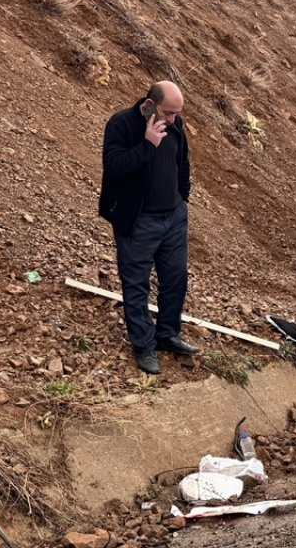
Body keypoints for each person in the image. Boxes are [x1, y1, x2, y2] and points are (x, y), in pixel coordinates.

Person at [99, 81, 199, 374]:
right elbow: (114, 166)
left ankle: (167, 334)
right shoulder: (122, 124)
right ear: (149, 104)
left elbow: (182, 161)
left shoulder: (174, 124)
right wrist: (147, 144)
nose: (173, 119)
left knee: (176, 278)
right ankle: (143, 346)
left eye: (176, 114)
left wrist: (182, 198)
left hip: (173, 218)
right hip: (139, 221)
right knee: (136, 284)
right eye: (168, 113)